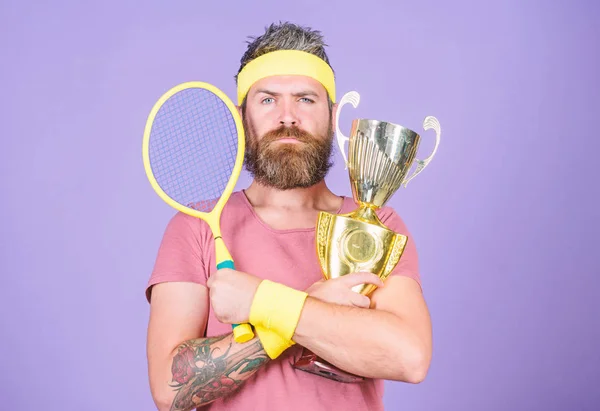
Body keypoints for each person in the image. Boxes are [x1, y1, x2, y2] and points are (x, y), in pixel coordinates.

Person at [145, 22, 432, 411]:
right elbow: (169, 388)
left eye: (305, 99)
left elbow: (409, 358)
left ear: (332, 116)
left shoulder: (379, 225)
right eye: (267, 100)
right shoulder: (195, 227)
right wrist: (302, 311)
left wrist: (262, 302)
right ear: (240, 116)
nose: (287, 117)